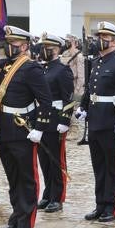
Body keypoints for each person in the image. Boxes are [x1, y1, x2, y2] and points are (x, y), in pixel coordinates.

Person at [0, 25, 52, 228]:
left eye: (14, 44)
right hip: (4, 128)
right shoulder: (2, 66)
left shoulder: (31, 68)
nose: (10, 47)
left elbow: (45, 101)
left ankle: (26, 221)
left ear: (25, 46)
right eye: (7, 43)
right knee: (13, 177)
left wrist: (39, 128)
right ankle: (16, 217)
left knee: (26, 177)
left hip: (22, 129)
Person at [76, 21, 115, 223]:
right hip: (95, 119)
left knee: (112, 165)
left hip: (111, 121)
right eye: (99, 36)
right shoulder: (96, 62)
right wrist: (83, 107)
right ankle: (100, 203)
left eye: (104, 37)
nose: (99, 40)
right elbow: (90, 89)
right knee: (98, 165)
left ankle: (113, 205)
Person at [36, 33, 74, 213]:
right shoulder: (42, 69)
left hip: (56, 119)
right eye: (43, 47)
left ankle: (57, 197)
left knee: (56, 160)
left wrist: (65, 120)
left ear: (57, 49)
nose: (43, 50)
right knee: (44, 159)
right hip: (41, 120)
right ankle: (48, 193)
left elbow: (69, 98)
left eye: (47, 47)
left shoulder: (62, 69)